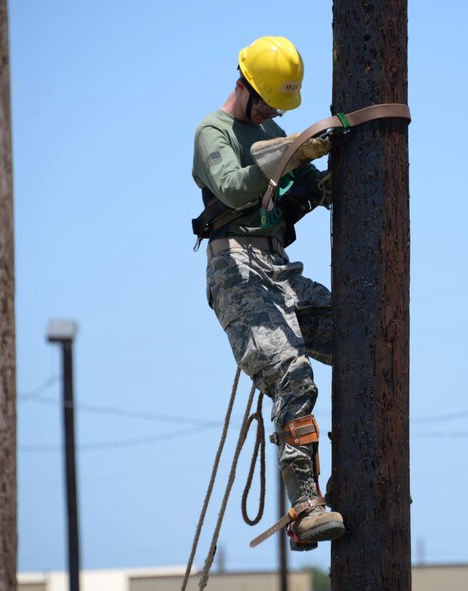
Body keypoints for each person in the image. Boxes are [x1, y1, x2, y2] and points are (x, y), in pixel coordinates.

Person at [191, 36, 344, 551]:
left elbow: (313, 185)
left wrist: (327, 164)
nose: (274, 113)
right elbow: (234, 187)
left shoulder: (273, 129)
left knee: (356, 334)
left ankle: (348, 476)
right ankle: (304, 504)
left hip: (278, 268)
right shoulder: (214, 131)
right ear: (245, 86)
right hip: (237, 269)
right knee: (290, 370)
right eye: (268, 102)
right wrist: (293, 148)